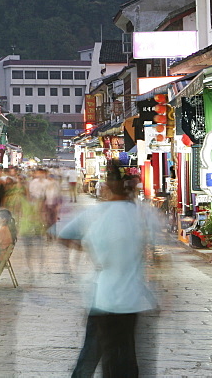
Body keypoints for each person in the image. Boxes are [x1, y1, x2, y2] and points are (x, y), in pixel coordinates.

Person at [58, 161, 159, 377]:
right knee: (124, 358)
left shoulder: (97, 213)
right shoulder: (143, 215)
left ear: (107, 185)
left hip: (103, 297)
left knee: (97, 354)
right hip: (131, 300)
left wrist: (89, 249)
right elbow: (158, 254)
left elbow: (62, 234)